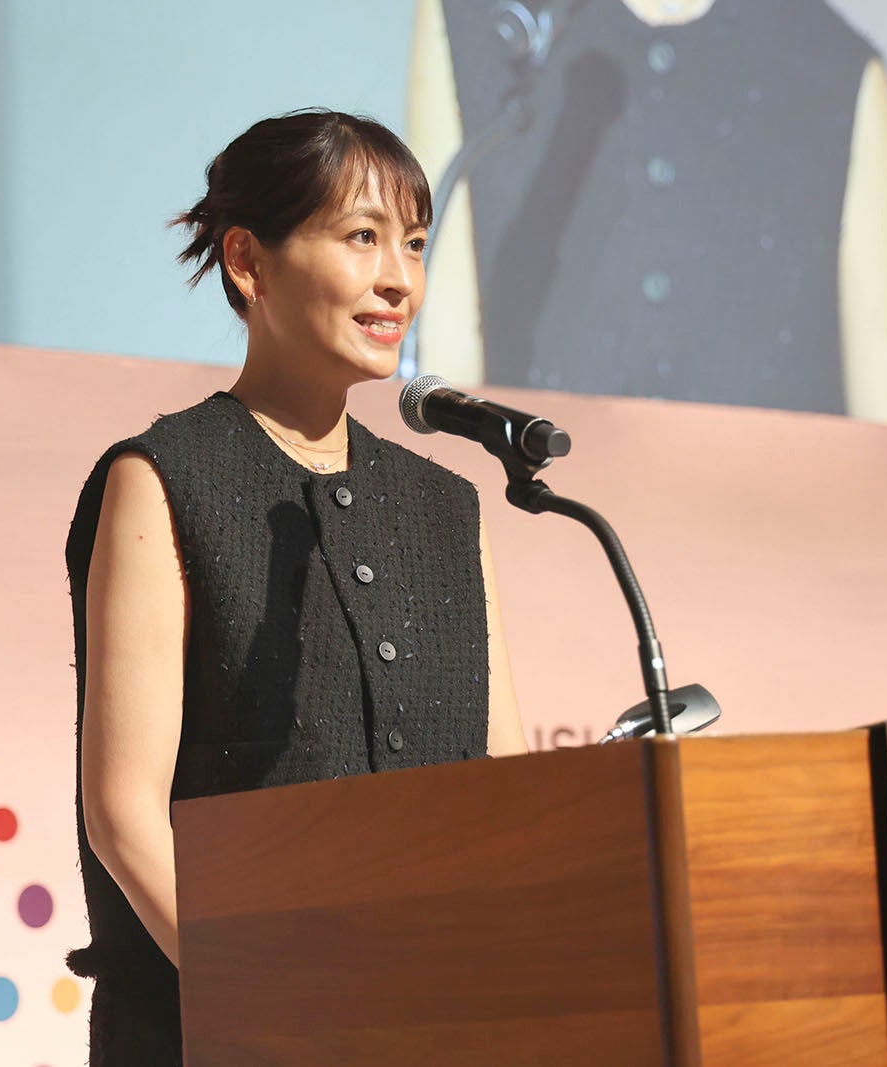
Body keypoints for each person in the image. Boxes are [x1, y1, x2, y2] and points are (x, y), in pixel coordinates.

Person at [63, 109, 528, 1066]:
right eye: (362, 237)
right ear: (248, 261)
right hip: (226, 1033)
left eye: (414, 243)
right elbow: (123, 813)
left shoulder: (447, 508)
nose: (399, 278)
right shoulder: (164, 478)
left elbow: (509, 795)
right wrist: (284, 1007)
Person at [406, 0, 887, 421]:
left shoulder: (837, 69)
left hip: (775, 516)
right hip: (531, 511)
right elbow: (444, 400)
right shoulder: (491, 25)